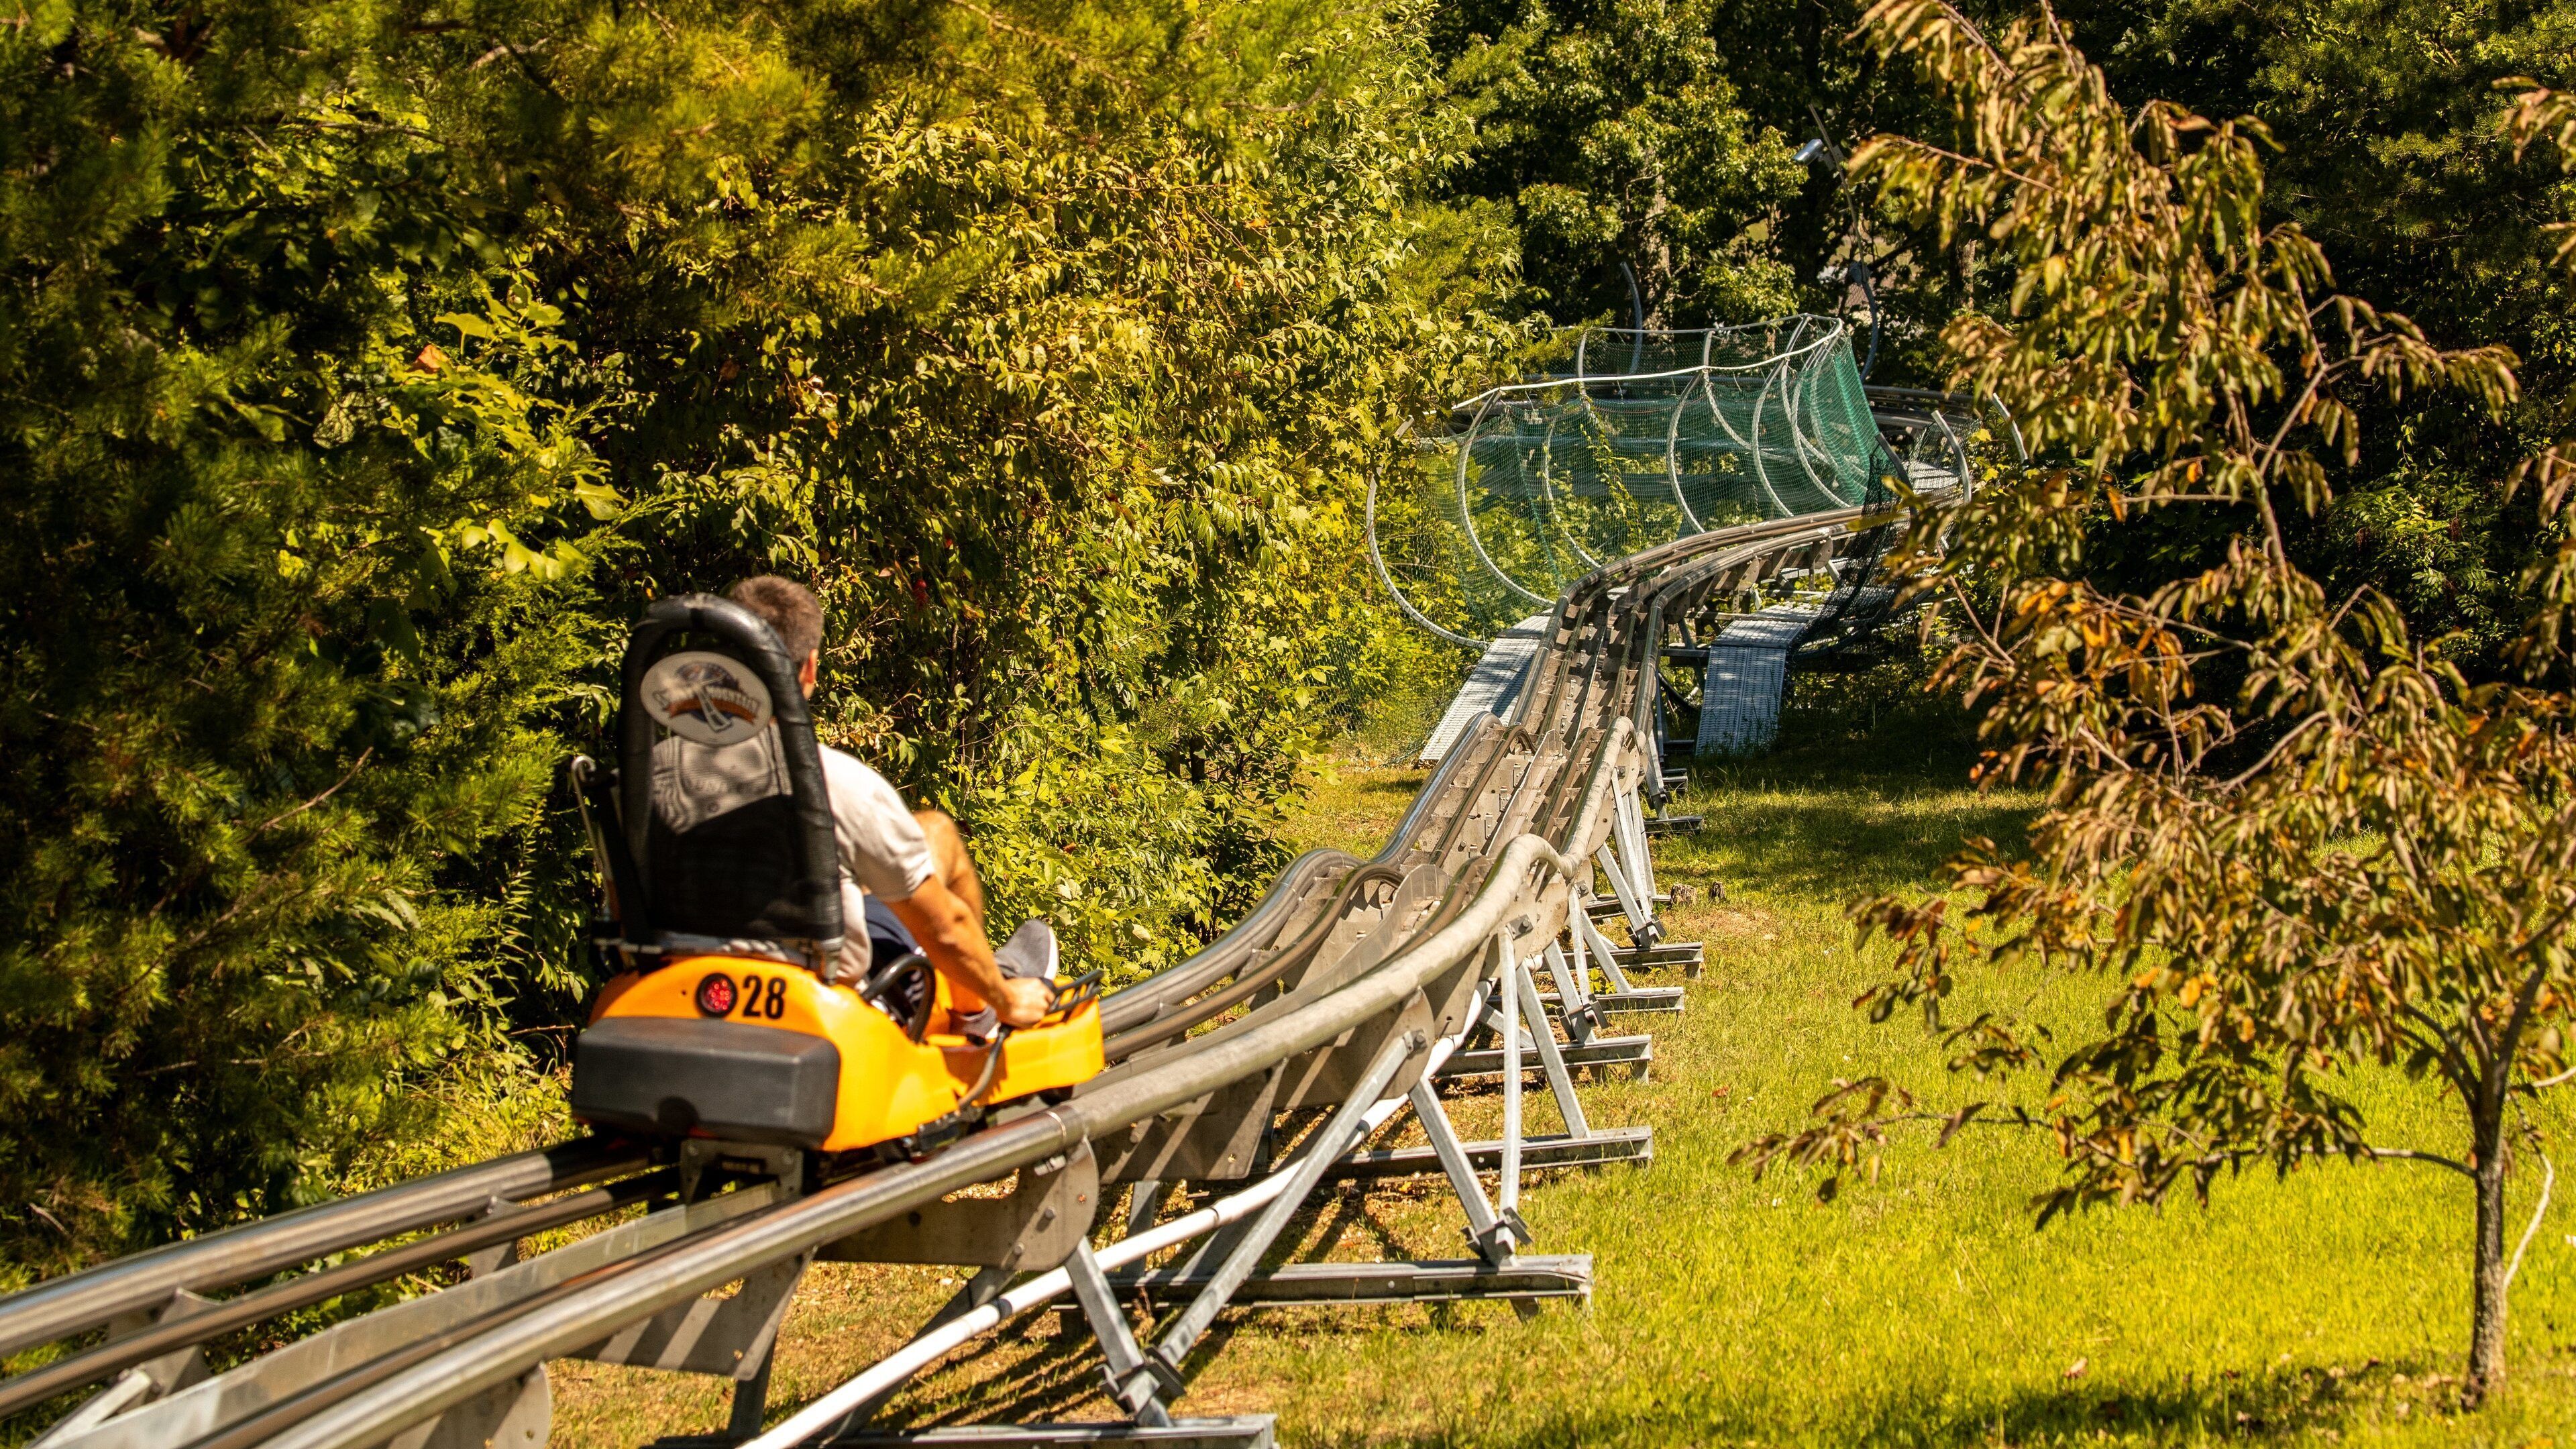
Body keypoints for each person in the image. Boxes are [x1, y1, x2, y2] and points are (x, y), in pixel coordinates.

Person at [724, 576, 1054, 1030]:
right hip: (822, 1000)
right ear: (809, 670)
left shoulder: (651, 773)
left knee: (923, 836)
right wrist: (1008, 1001)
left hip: (687, 988)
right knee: (939, 842)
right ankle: (980, 1007)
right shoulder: (837, 785)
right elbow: (944, 930)